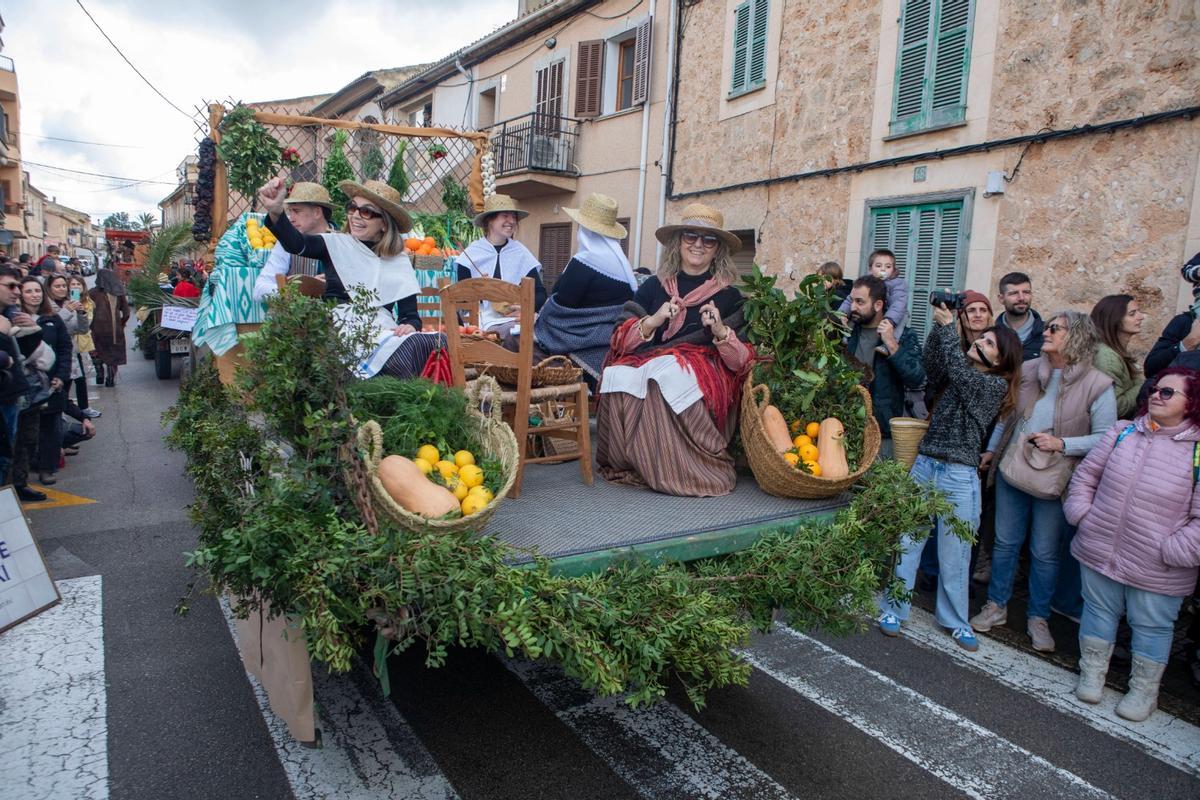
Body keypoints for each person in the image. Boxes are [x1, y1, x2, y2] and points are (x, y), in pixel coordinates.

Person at [878, 303, 1023, 650]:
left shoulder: (992, 388)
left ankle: (955, 620)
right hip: (926, 463)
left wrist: (948, 330)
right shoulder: (963, 369)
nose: (981, 343)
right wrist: (937, 328)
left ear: (1002, 361)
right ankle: (893, 609)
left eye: (990, 344)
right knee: (907, 543)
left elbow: (960, 374)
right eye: (982, 339)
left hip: (959, 477)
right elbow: (932, 366)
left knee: (955, 554)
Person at [972, 311, 1116, 652]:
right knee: (1005, 544)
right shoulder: (1031, 369)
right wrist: (992, 450)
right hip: (1012, 469)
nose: (1046, 332)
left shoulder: (1098, 384)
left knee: (1045, 553)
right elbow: (1006, 415)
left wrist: (1063, 444)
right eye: (1048, 326)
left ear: (1076, 337)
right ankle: (995, 607)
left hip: (1055, 479)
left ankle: (1038, 619)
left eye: (1055, 328)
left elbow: (1108, 437)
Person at [1064, 367, 1200, 721]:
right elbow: (1085, 476)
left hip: (1159, 566)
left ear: (1192, 403)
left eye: (1168, 392)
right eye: (1155, 388)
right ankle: (1092, 674)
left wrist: (1172, 551)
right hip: (1101, 546)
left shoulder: (1198, 451)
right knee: (1097, 612)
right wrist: (1083, 515)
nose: (1156, 394)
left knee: (1152, 627)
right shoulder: (1122, 432)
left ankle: (1143, 692)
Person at [596, 203, 754, 497]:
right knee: (615, 373)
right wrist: (655, 320)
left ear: (717, 249)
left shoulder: (730, 297)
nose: (698, 244)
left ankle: (685, 469)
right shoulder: (653, 287)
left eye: (708, 239)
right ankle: (636, 462)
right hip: (650, 363)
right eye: (690, 236)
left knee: (666, 372)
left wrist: (719, 331)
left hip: (700, 373)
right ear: (678, 242)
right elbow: (619, 340)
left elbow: (743, 362)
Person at [258, 176, 440, 379]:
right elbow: (296, 243)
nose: (355, 216)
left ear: (384, 224)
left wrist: (410, 325)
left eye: (367, 212)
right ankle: (374, 393)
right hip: (340, 330)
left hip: (382, 330)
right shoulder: (335, 244)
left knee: (434, 342)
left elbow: (410, 316)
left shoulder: (397, 261)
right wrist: (276, 212)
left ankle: (383, 393)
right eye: (352, 208)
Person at [533, 193, 637, 380]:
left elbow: (559, 310)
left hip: (581, 345)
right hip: (611, 345)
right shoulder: (623, 267)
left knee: (518, 342)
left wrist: (539, 317)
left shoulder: (584, 263)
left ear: (585, 230)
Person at [844, 275, 925, 440]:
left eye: (860, 302)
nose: (853, 307)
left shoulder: (903, 336)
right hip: (846, 424)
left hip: (883, 431)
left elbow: (917, 378)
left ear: (878, 305)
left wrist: (891, 344)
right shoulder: (847, 334)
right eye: (852, 301)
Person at [456, 194, 546, 337]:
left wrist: (527, 307)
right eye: (505, 216)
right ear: (490, 220)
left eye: (513, 217)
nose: (511, 221)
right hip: (479, 323)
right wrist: (476, 288)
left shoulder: (521, 253)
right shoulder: (470, 255)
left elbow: (540, 293)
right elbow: (459, 301)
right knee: (516, 335)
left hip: (516, 320)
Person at [13, 277, 72, 488]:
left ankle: (47, 468)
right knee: (24, 433)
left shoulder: (54, 319)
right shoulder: (13, 319)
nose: (34, 295)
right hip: (25, 385)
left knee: (50, 429)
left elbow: (65, 349)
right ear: (20, 294)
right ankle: (22, 473)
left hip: (52, 382)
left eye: (37, 291)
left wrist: (61, 376)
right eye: (28, 291)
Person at [252, 182, 334, 303]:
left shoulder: (341, 242)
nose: (291, 218)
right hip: (294, 320)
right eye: (290, 211)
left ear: (317, 212)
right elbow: (259, 290)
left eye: (297, 211)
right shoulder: (285, 244)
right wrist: (298, 288)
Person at [45, 274, 96, 423]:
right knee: (57, 396)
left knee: (65, 393)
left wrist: (81, 313)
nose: (61, 289)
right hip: (52, 357)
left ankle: (61, 432)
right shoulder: (47, 306)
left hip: (70, 355)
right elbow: (52, 327)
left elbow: (81, 329)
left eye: (63, 286)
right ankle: (62, 431)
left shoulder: (69, 303)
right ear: (49, 288)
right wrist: (66, 311)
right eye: (57, 286)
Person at [839, 249, 909, 354]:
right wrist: (842, 312)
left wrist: (890, 320)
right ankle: (846, 336)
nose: (883, 269)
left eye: (888, 267)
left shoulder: (897, 284)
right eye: (879, 266)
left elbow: (899, 304)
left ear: (894, 270)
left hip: (891, 314)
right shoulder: (865, 283)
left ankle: (889, 344)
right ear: (871, 269)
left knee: (902, 318)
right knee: (855, 312)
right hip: (871, 315)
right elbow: (850, 299)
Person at [1091, 294, 1146, 419]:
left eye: (1139, 312)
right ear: (1114, 319)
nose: (1141, 317)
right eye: (1132, 314)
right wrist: (1144, 385)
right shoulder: (1106, 357)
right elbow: (1116, 408)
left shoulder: (1115, 351)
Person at [89, 267, 130, 387]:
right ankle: (110, 377)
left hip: (96, 329)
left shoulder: (92, 293)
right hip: (114, 329)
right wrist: (121, 324)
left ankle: (99, 371)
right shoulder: (119, 292)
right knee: (112, 353)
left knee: (96, 351)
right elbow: (126, 312)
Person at [65, 275, 99, 418]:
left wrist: (79, 310)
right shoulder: (63, 303)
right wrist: (68, 309)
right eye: (72, 284)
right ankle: (65, 407)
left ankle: (84, 407)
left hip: (82, 342)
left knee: (80, 377)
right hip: (68, 344)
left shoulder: (88, 302)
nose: (75, 287)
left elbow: (86, 323)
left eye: (78, 284)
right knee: (68, 378)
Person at [995, 271, 1045, 361]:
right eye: (1014, 293)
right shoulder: (991, 336)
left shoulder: (1047, 334)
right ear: (1001, 299)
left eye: (1026, 292)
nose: (1021, 298)